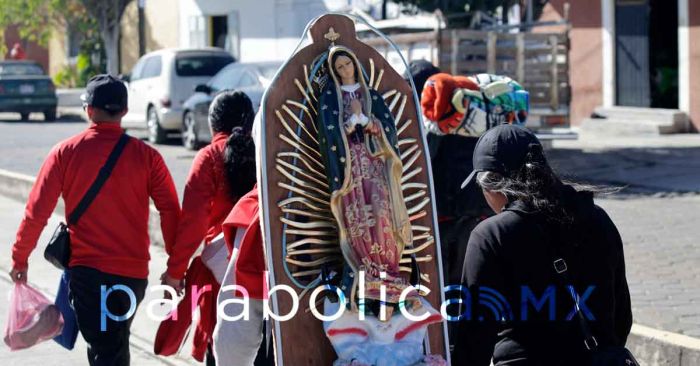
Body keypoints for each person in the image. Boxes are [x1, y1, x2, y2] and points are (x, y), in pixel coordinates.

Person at [9, 74, 181, 366]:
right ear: (125, 111)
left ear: (89, 109)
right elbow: (171, 212)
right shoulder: (148, 157)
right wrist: (176, 267)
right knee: (112, 344)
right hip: (132, 276)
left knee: (107, 350)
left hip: (89, 276)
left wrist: (20, 258)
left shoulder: (64, 153)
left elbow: (36, 212)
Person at [454, 125, 633, 365]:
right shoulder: (597, 218)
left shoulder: (492, 235)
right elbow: (621, 316)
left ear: (492, 186)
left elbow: (474, 337)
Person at [163, 90, 256, 365]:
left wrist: (175, 272)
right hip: (265, 268)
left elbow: (193, 223)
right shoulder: (268, 153)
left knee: (221, 345)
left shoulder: (209, 156)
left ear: (214, 125)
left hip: (221, 272)